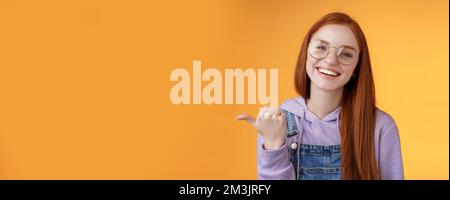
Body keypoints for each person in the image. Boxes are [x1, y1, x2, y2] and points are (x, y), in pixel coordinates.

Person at [236, 12, 404, 180]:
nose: (331, 60)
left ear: (356, 69)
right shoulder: (276, 124)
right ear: (306, 53)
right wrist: (273, 146)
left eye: (346, 54)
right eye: (321, 47)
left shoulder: (380, 127)